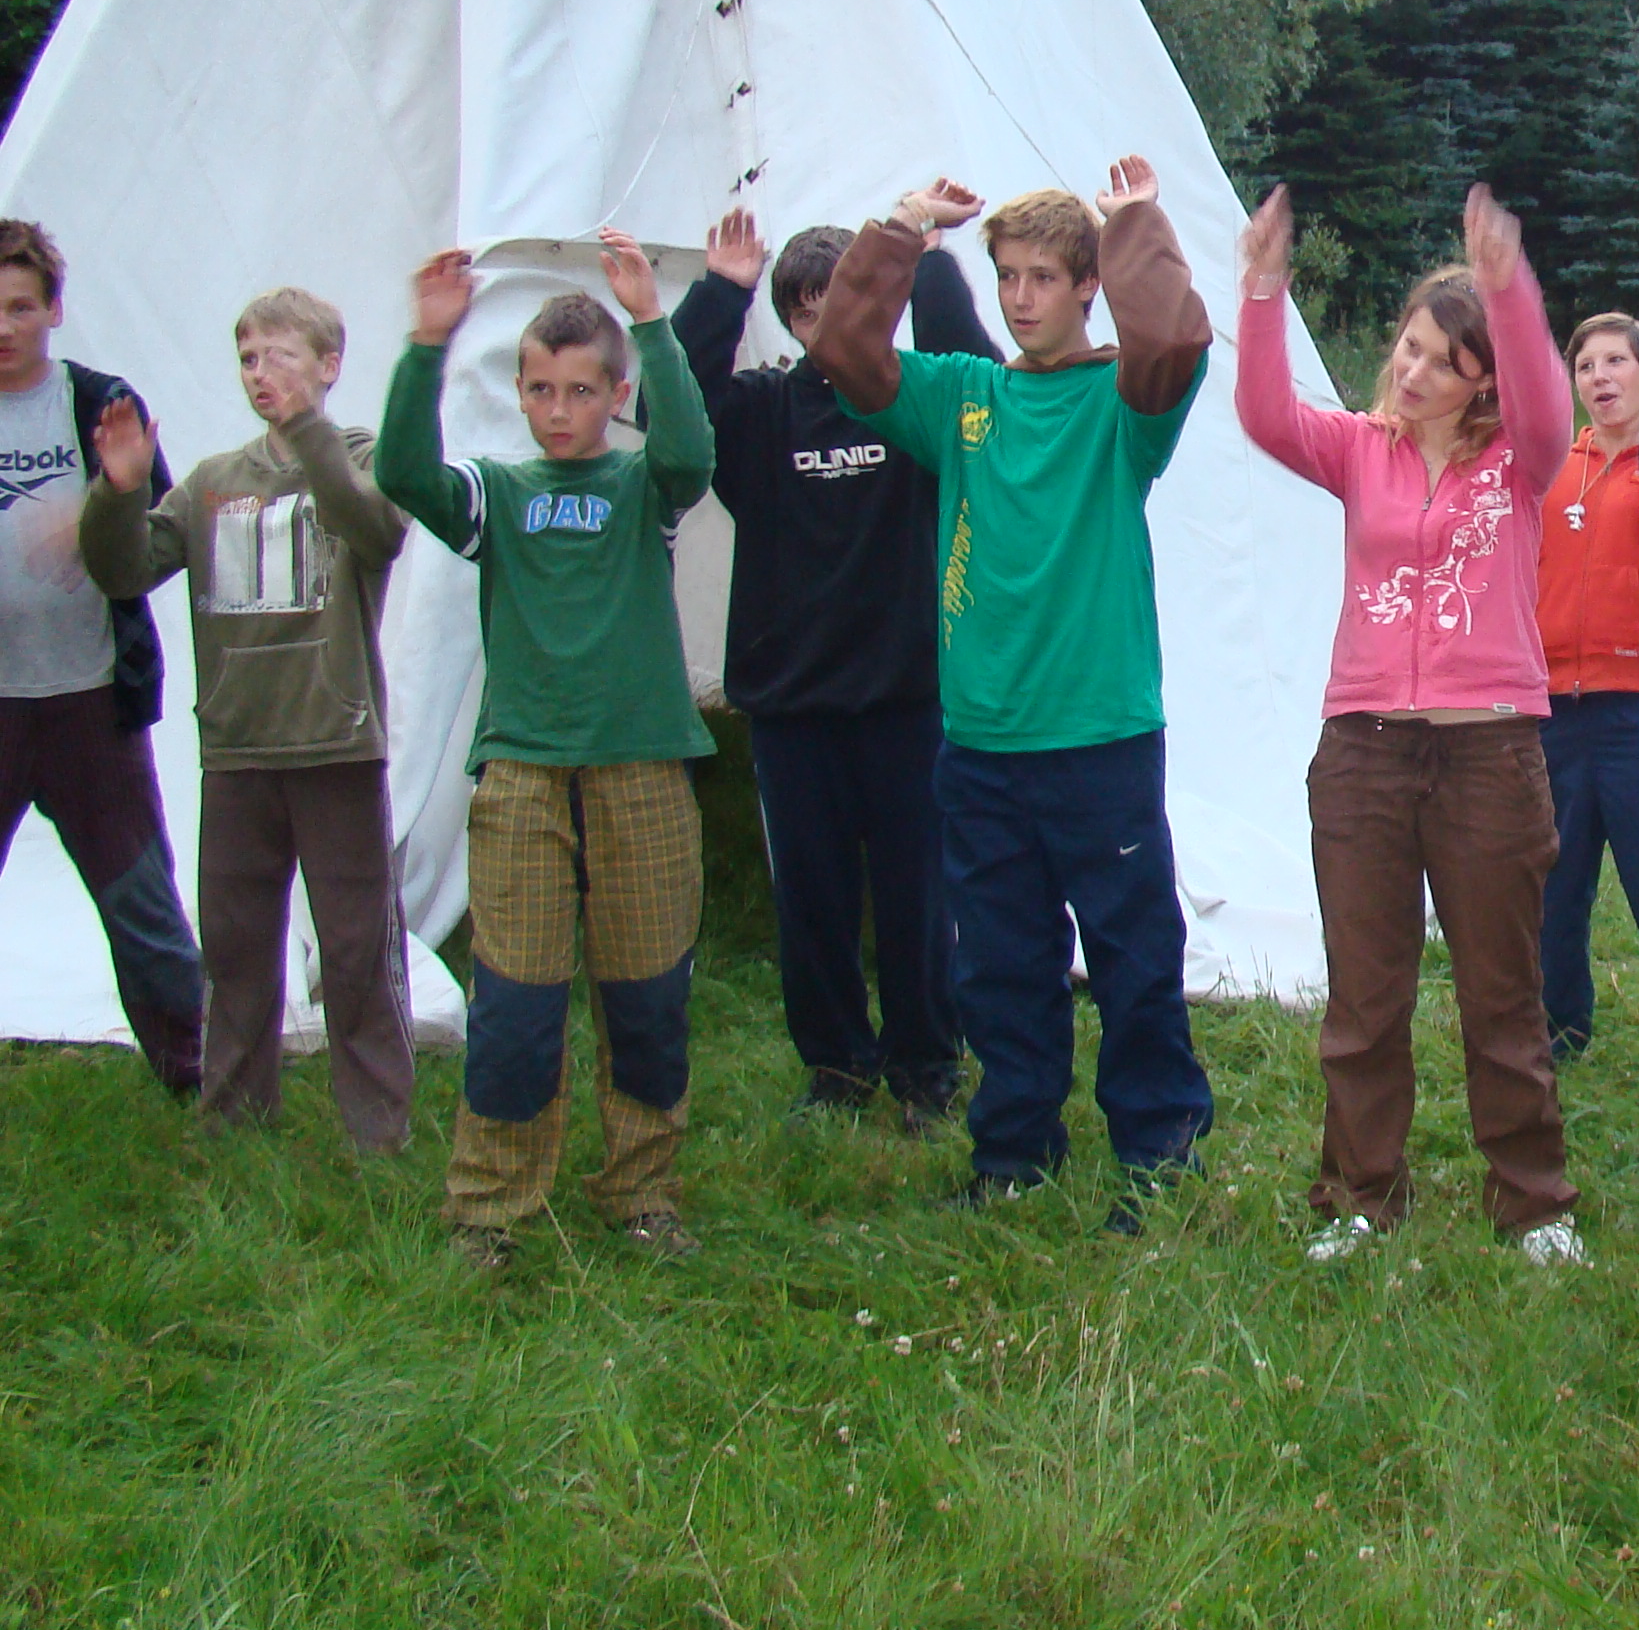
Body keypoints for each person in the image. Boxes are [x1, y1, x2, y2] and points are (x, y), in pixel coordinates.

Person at [811, 165, 1214, 1219]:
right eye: (1007, 277)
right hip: (982, 743)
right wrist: (901, 230)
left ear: (1088, 287)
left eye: (1044, 277)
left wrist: (1133, 226)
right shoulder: (964, 395)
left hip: (1099, 737)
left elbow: (1176, 341)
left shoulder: (1125, 404)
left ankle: (1160, 1155)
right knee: (1000, 965)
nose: (1022, 298)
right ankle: (1014, 1156)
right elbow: (845, 352)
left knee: (1134, 959)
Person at [1235, 181, 1584, 1267]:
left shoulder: (1521, 460)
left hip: (1489, 751)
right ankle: (1359, 1195)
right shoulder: (1358, 448)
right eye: (1409, 346)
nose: (1412, 369)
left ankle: (1533, 1204)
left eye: (1443, 358)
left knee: (1502, 995)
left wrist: (1506, 287)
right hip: (1365, 753)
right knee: (1365, 993)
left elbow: (1548, 404)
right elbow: (1266, 417)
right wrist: (1262, 290)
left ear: (1481, 377)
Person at [378, 233, 715, 1266]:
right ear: (519, 397)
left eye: (579, 391)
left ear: (616, 394)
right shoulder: (500, 491)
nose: (559, 410)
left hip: (642, 764)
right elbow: (403, 473)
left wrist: (651, 321)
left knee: (647, 998)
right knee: (517, 1003)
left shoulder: (642, 488)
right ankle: (489, 1207)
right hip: (522, 772)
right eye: (539, 391)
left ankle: (641, 1188)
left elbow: (691, 455)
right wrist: (426, 346)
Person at [676, 182, 1000, 1129]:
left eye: (846, 303)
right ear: (788, 317)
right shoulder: (760, 413)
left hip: (906, 699)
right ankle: (835, 1067)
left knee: (917, 899)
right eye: (806, 307)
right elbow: (674, 407)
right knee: (811, 902)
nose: (825, 323)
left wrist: (931, 266)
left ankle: (926, 1066)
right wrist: (721, 294)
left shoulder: (916, 409)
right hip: (792, 705)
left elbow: (987, 383)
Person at [79, 288, 413, 1150]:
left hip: (335, 744)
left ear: (330, 366)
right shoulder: (210, 483)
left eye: (281, 356)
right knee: (233, 951)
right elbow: (122, 571)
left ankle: (378, 1133)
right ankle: (233, 1122)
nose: (261, 373)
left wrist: (308, 433)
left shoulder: (364, 456)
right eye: (249, 359)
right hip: (236, 749)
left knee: (355, 949)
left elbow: (375, 530)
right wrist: (118, 493)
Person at [0, 217, 201, 1097]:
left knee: (140, 901)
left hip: (89, 703)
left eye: (20, 307)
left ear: (53, 310)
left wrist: (89, 514)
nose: (4, 326)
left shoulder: (97, 404)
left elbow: (163, 531)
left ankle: (196, 1078)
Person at [1533, 306, 1639, 1058]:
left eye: (1616, 362)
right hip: (1552, 711)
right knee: (1550, 889)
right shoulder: (1551, 468)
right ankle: (1556, 1034)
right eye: (1585, 366)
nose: (1599, 377)